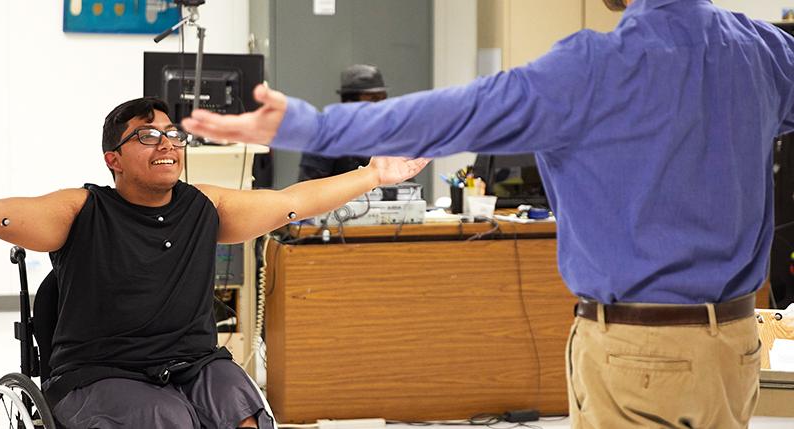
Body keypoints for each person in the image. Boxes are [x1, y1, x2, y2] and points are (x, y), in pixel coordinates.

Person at [182, 0, 794, 427]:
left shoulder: (595, 66)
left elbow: (455, 113)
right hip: (736, 347)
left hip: (639, 352)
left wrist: (312, 123)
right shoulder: (764, 50)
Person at [0, 97, 428, 429]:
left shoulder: (204, 207)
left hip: (191, 363)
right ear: (113, 157)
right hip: (99, 375)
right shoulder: (80, 210)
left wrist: (374, 173)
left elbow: (291, 202)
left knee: (239, 407)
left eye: (172, 134)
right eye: (146, 134)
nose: (166, 142)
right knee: (166, 421)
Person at [297, 64, 386, 181]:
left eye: (383, 98)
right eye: (373, 99)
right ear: (349, 102)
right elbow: (309, 189)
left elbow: (406, 186)